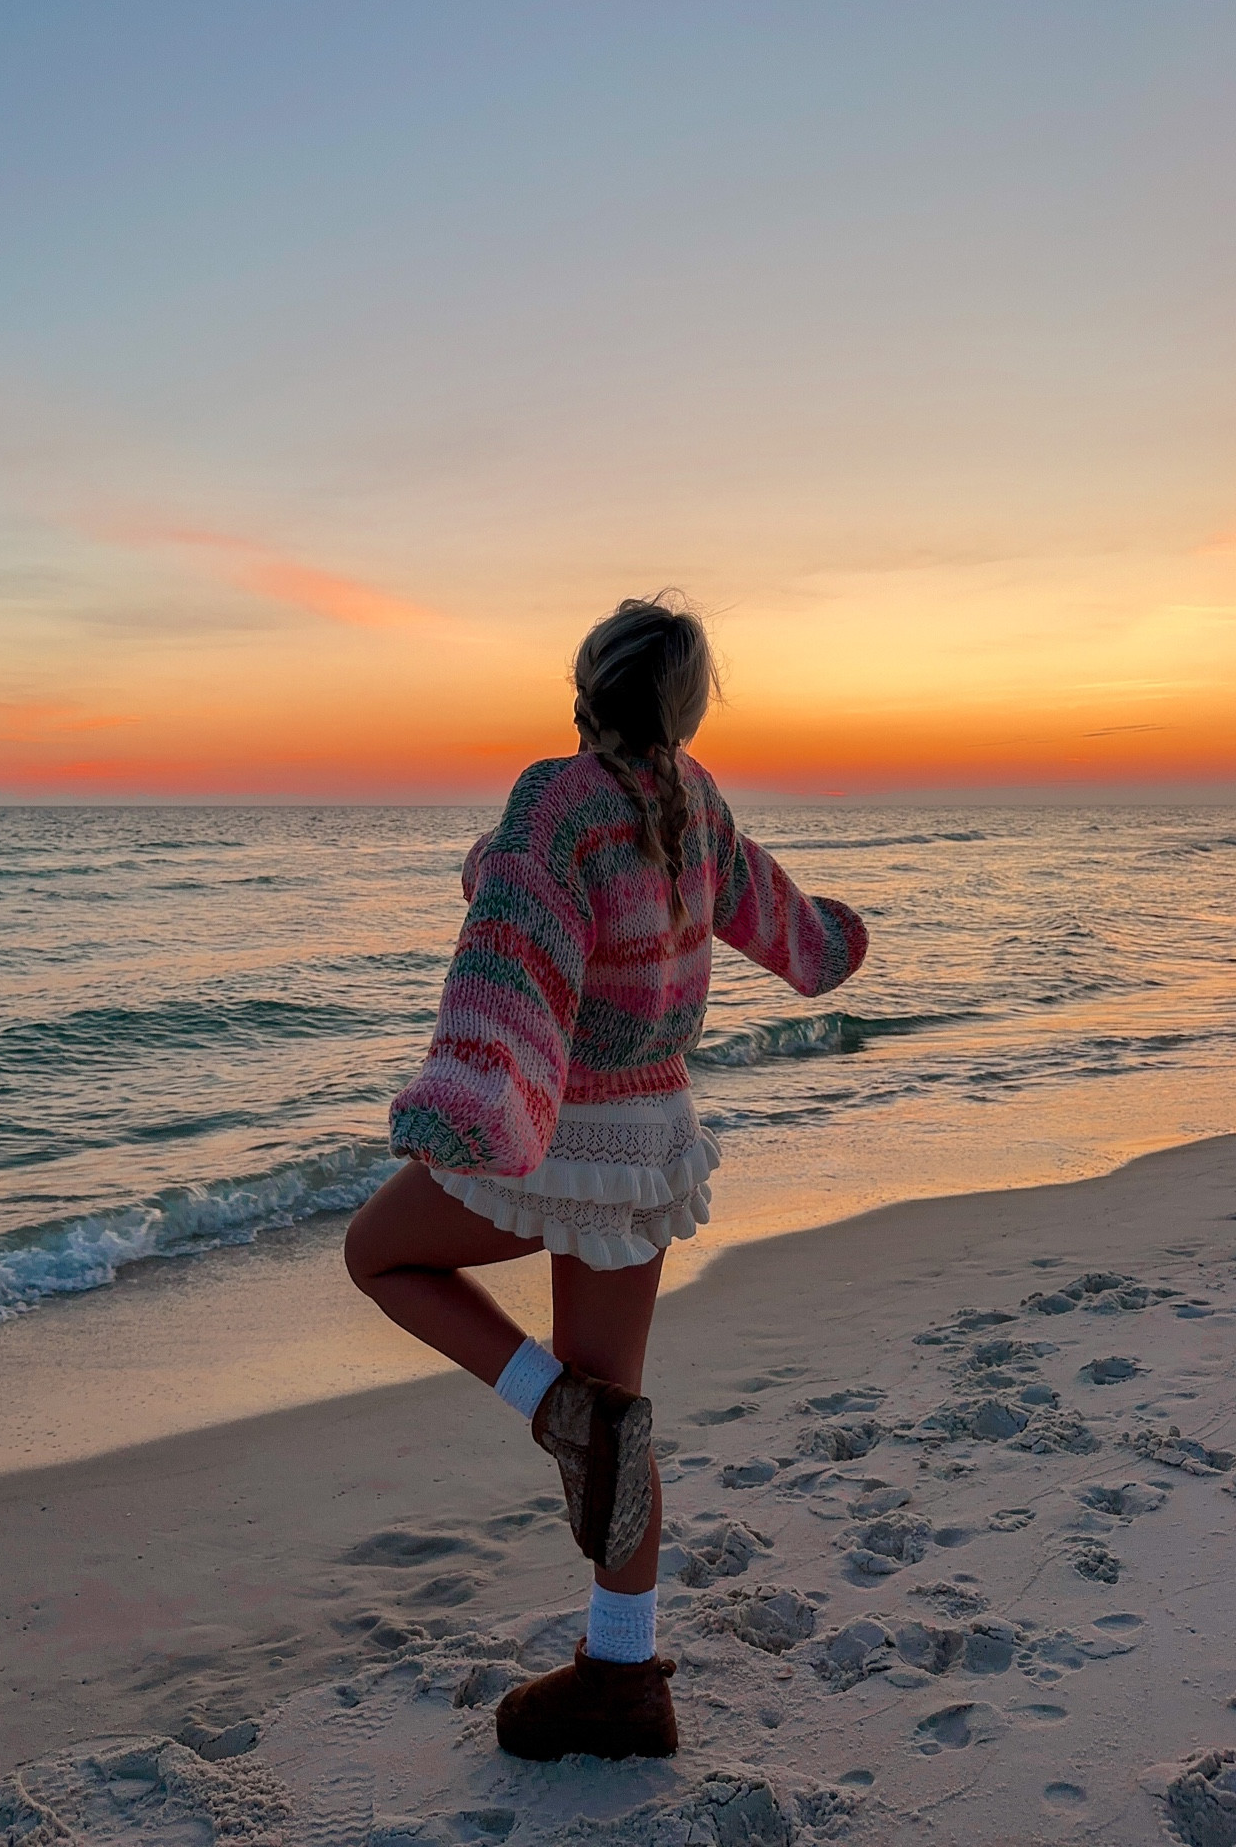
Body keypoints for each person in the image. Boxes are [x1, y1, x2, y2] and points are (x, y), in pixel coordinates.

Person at [344, 595, 868, 1762]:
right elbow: (770, 914)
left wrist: (464, 1104)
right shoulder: (695, 798)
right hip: (650, 1135)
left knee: (377, 1253)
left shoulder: (556, 797)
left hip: (562, 1126)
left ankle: (545, 1404)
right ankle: (625, 1676)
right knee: (621, 1427)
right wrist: (832, 941)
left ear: (583, 684)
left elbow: (512, 936)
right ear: (683, 706)